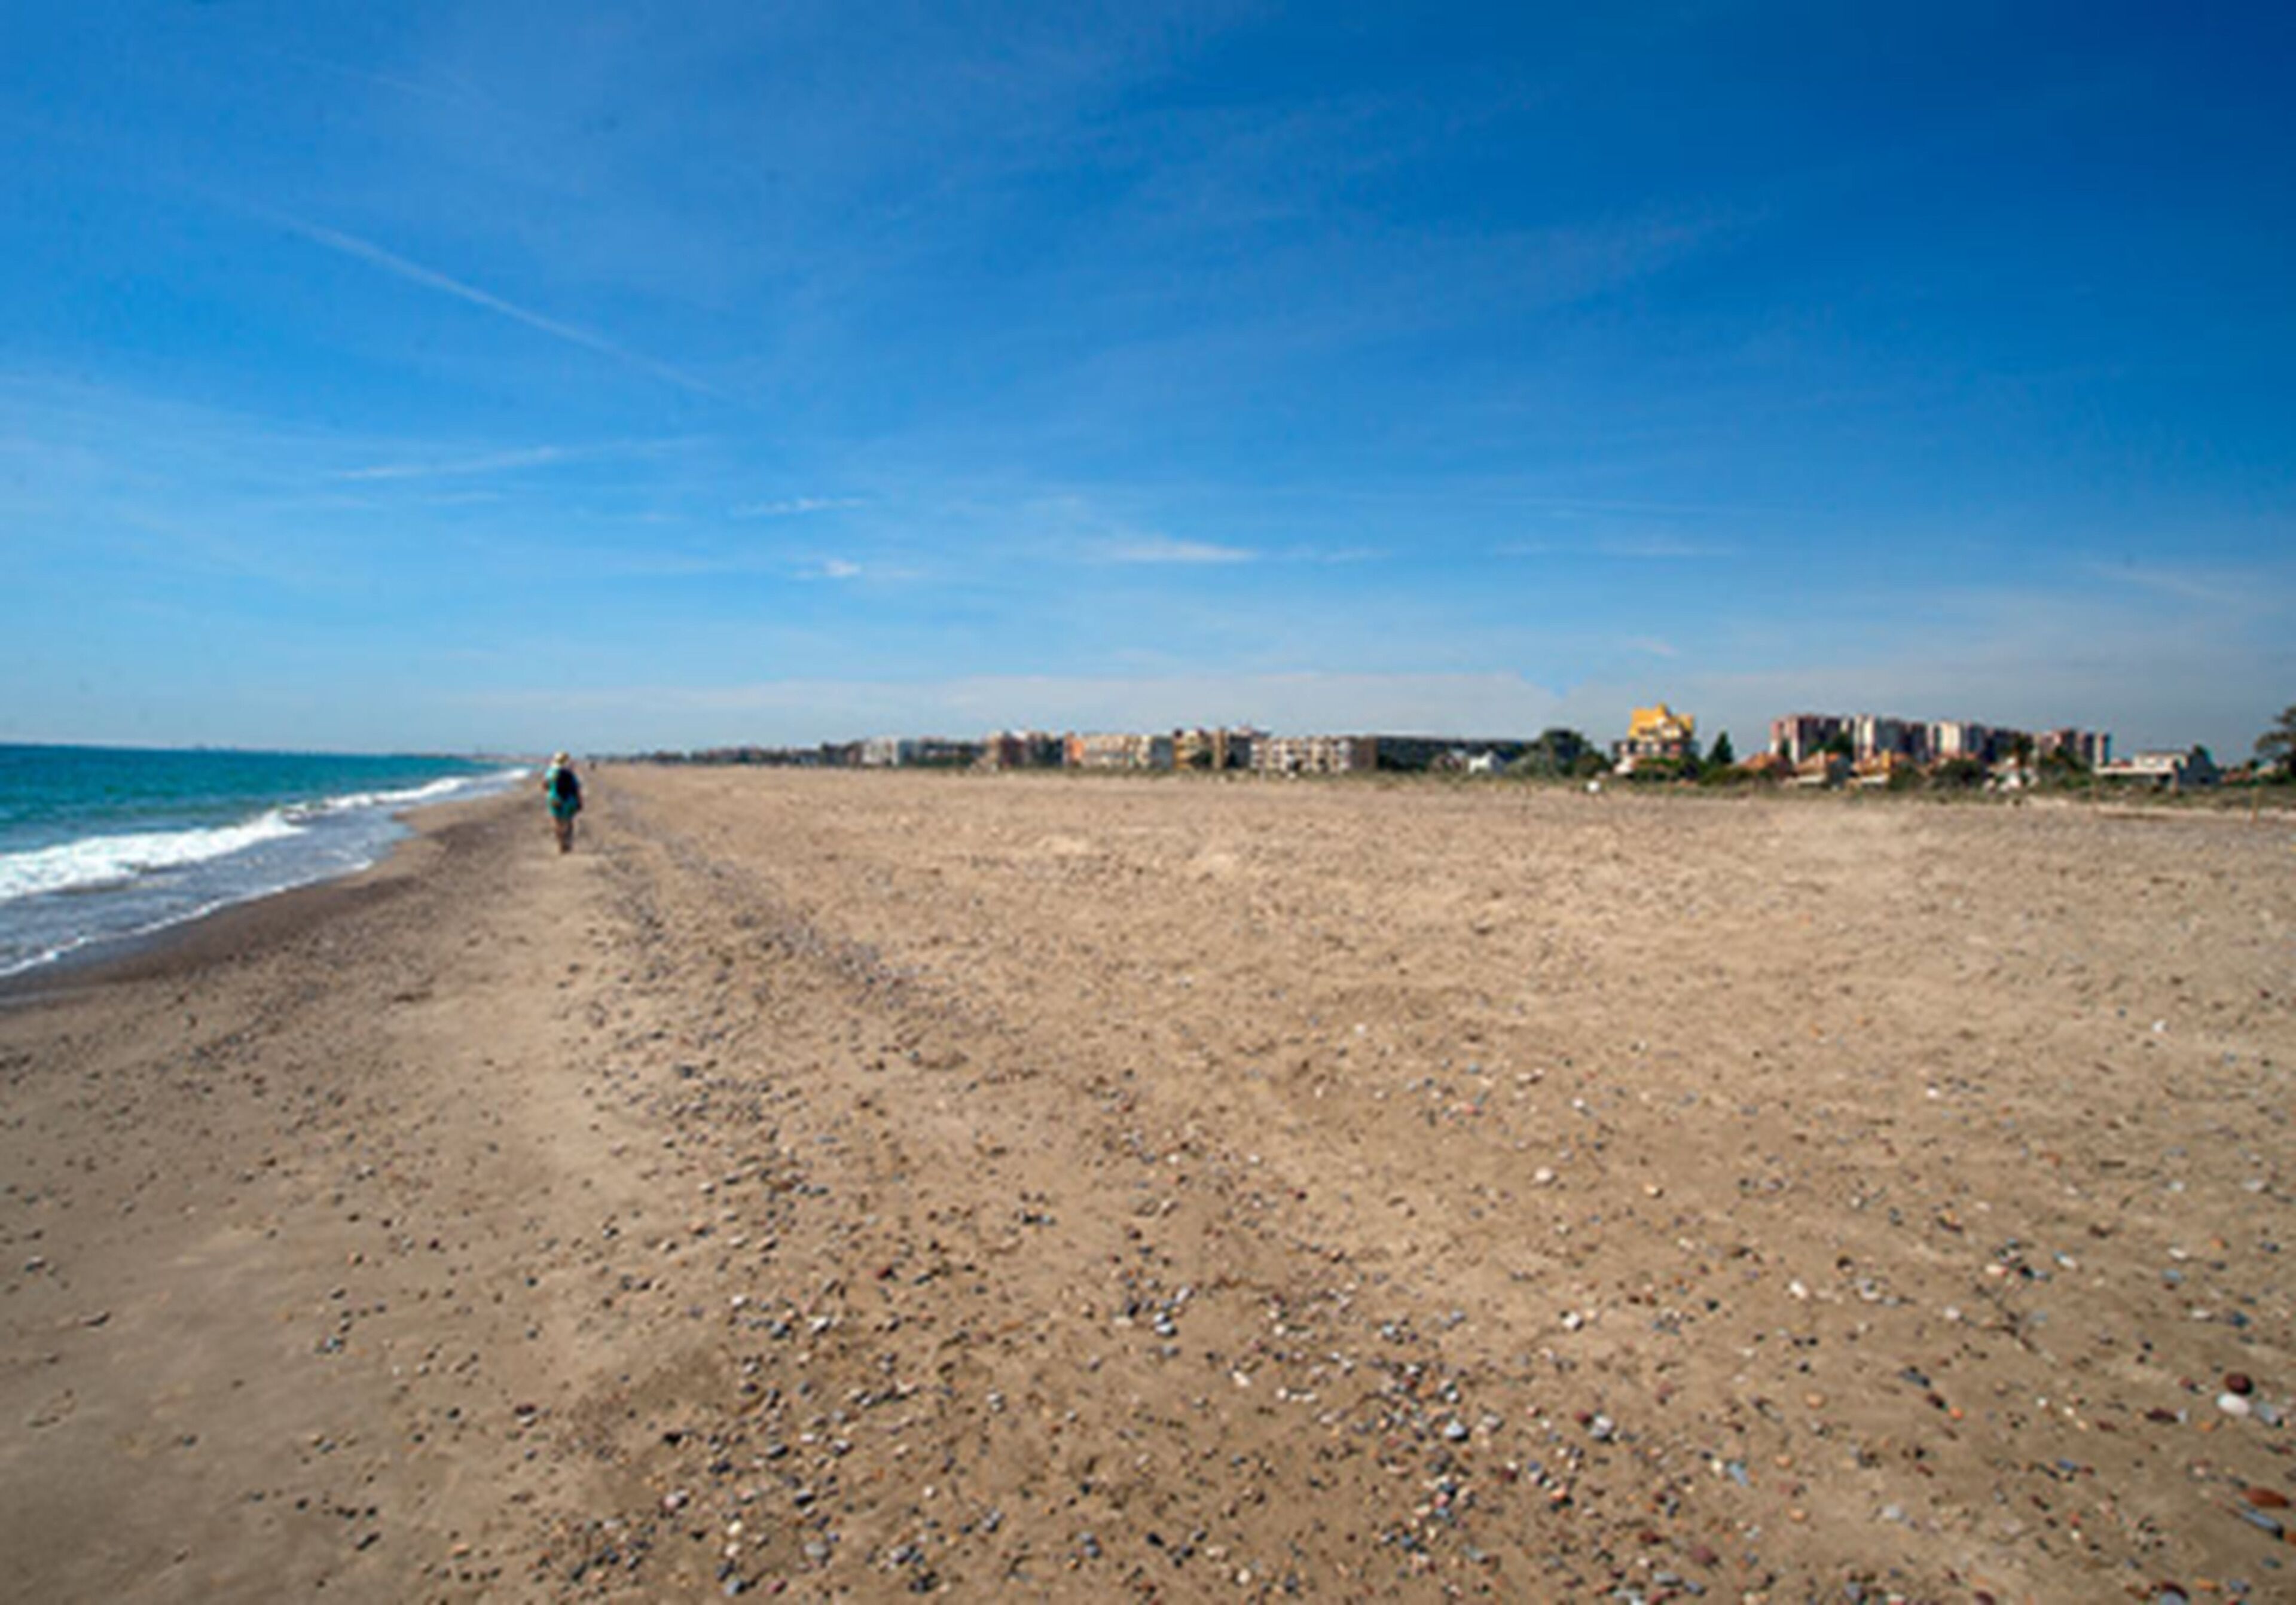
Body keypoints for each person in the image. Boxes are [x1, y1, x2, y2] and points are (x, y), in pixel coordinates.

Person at [542, 752, 583, 853]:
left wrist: (548, 794)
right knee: (569, 822)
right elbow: (577, 789)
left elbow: (544, 786)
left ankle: (561, 844)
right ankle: (568, 842)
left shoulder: (550, 773)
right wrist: (580, 802)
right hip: (569, 800)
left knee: (557, 822)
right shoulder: (570, 773)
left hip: (554, 800)